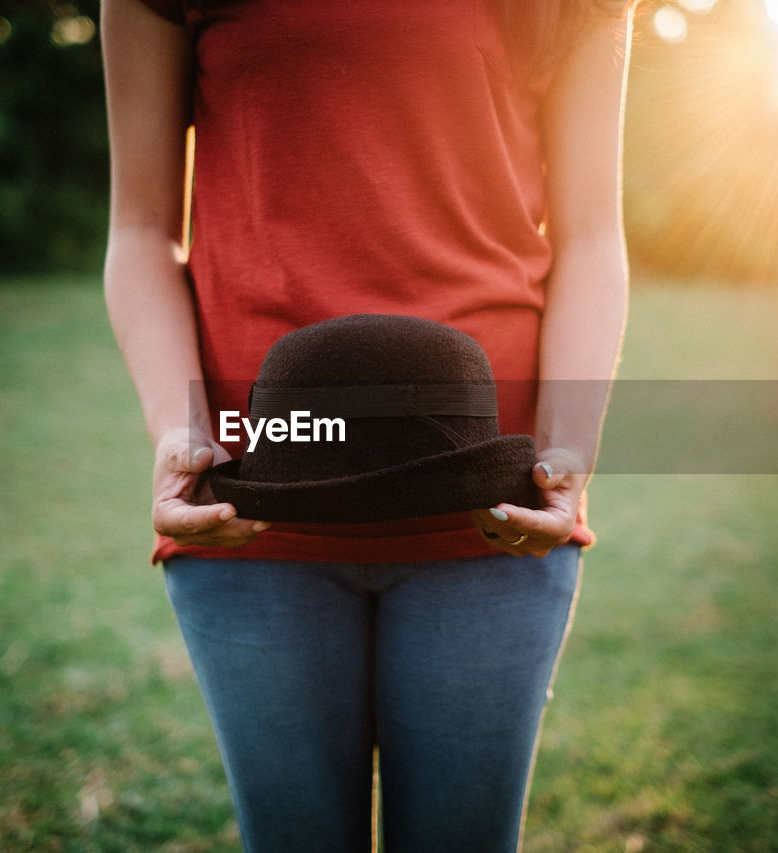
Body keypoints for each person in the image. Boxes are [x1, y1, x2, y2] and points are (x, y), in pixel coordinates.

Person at [101, 0, 633, 849]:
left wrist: (569, 451)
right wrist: (184, 435)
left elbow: (591, 233)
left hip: (492, 499)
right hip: (256, 494)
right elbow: (139, 228)